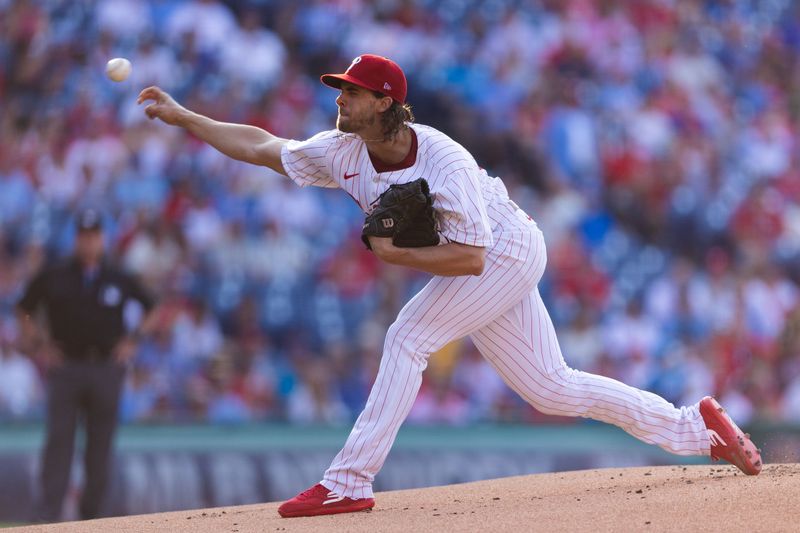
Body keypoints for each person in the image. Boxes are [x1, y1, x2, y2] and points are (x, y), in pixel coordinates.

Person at [137, 54, 762, 518]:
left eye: (351, 92)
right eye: (340, 90)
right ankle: (697, 428)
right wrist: (186, 116)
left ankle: (350, 481)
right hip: (484, 257)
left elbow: (469, 259)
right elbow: (265, 147)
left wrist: (394, 252)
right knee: (551, 387)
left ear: (384, 102)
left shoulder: (445, 162)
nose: (339, 100)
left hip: (505, 250)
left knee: (407, 337)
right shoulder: (343, 151)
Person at [16, 209, 156, 522]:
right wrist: (41, 344)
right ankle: (47, 520)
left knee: (100, 449)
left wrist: (132, 340)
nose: (88, 242)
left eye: (93, 236)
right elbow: (24, 309)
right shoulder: (56, 274)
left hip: (105, 368)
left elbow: (151, 308)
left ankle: (93, 521)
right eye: (83, 236)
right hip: (66, 367)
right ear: (76, 238)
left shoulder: (117, 276)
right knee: (58, 445)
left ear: (102, 239)